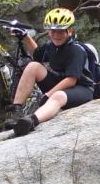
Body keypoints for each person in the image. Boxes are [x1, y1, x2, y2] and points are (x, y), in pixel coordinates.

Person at [5, 7, 94, 136]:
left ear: (70, 31)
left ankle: (31, 121)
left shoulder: (76, 50)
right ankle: (16, 110)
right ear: (48, 31)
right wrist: (25, 37)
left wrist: (48, 94)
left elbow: (71, 80)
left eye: (60, 31)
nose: (56, 35)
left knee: (57, 96)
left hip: (82, 88)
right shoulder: (51, 46)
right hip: (60, 83)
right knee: (33, 66)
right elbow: (37, 55)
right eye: (53, 31)